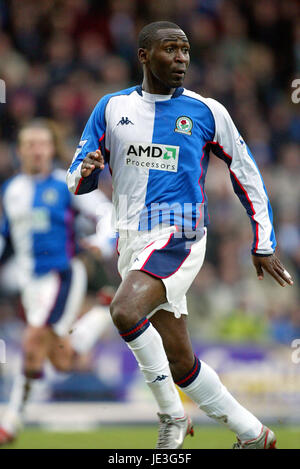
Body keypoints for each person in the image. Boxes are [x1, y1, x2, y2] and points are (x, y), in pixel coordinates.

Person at [66, 21, 293, 449]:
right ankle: (253, 434)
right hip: (130, 240)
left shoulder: (207, 111)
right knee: (180, 358)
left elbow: (247, 172)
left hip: (180, 232)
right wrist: (87, 169)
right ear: (144, 56)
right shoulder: (111, 108)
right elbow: (75, 177)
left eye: (186, 50)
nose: (182, 58)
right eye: (170, 49)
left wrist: (263, 241)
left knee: (124, 311)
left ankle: (171, 414)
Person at [0, 120, 114, 445]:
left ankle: (10, 421)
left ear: (51, 148)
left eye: (42, 144)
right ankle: (102, 313)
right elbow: (7, 235)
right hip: (31, 285)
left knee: (32, 340)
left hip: (63, 275)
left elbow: (105, 213)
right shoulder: (12, 190)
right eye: (29, 144)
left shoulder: (66, 184)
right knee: (61, 361)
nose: (36, 150)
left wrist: (103, 242)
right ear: (19, 150)